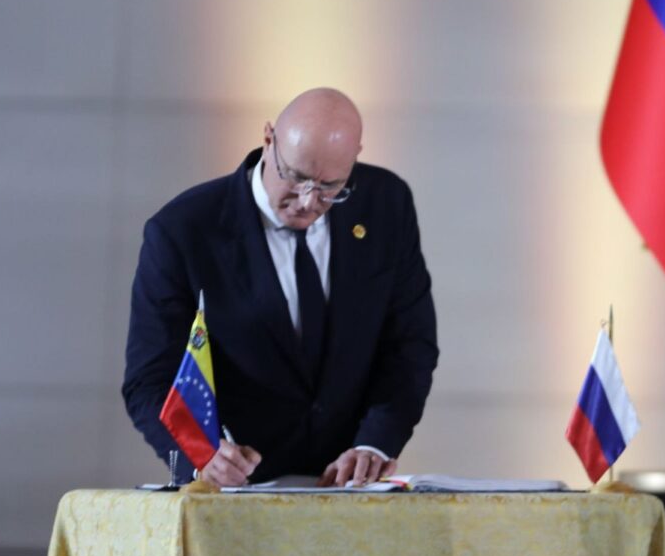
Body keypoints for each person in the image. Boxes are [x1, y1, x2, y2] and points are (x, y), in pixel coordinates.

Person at [122, 88, 438, 487]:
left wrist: (374, 444)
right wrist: (201, 454)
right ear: (268, 139)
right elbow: (150, 380)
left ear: (355, 158)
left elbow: (409, 346)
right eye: (297, 177)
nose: (308, 201)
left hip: (349, 489)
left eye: (330, 187)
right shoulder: (183, 230)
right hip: (241, 490)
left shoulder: (386, 203)